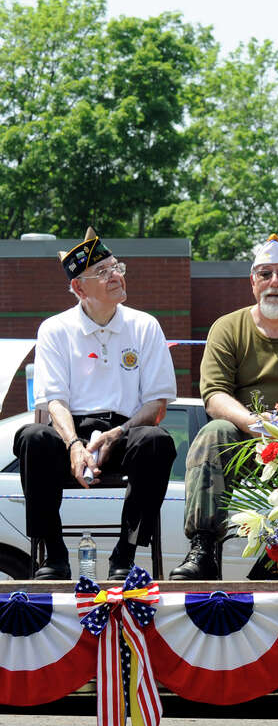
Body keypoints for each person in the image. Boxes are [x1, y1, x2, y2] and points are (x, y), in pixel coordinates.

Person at [170, 235, 278, 580]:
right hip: (244, 438)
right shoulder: (227, 328)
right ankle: (203, 548)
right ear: (253, 282)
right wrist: (253, 422)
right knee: (213, 433)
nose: (274, 282)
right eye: (265, 274)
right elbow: (214, 394)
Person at [15, 229, 176, 580]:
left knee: (157, 441)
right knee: (32, 437)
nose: (115, 275)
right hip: (70, 433)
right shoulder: (55, 329)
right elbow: (54, 400)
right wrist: (74, 445)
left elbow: (156, 404)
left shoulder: (145, 326)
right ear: (79, 288)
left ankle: (125, 554)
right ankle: (54, 554)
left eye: (116, 267)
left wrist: (117, 433)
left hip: (126, 431)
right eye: (102, 272)